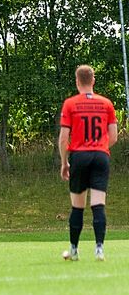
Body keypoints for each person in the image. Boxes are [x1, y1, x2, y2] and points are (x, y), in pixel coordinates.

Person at [59, 65, 117, 262]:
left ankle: (74, 250)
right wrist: (99, 147)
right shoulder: (106, 104)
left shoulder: (70, 104)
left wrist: (64, 162)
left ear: (77, 81)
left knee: (78, 206)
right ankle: (99, 249)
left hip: (79, 156)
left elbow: (63, 139)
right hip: (101, 156)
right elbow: (113, 136)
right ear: (93, 81)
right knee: (98, 203)